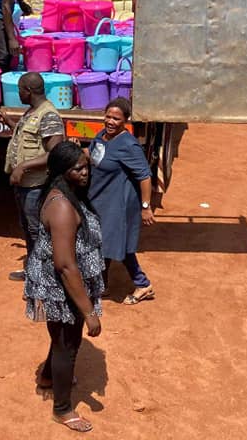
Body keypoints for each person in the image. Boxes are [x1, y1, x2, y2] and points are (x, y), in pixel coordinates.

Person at [24, 141, 104, 433]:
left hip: (63, 282)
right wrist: (89, 311)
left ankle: (48, 376)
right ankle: (62, 409)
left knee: (61, 338)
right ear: (61, 172)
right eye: (77, 169)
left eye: (86, 166)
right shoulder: (61, 207)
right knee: (68, 345)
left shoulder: (67, 195)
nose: (85, 172)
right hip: (61, 286)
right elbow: (66, 265)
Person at [0, 72, 65, 282]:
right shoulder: (33, 111)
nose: (19, 94)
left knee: (38, 231)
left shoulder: (48, 115)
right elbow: (29, 137)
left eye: (20, 90)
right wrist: (8, 121)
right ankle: (34, 272)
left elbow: (56, 152)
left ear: (29, 91)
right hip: (25, 185)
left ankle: (44, 278)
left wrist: (23, 166)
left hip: (37, 185)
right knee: (28, 228)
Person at [87, 98, 155, 305]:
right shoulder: (102, 136)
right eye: (108, 116)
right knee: (100, 241)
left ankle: (143, 284)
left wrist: (146, 207)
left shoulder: (128, 145)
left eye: (116, 118)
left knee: (121, 245)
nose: (110, 121)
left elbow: (144, 176)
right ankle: (103, 284)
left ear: (125, 120)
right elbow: (94, 156)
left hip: (118, 204)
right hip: (100, 200)